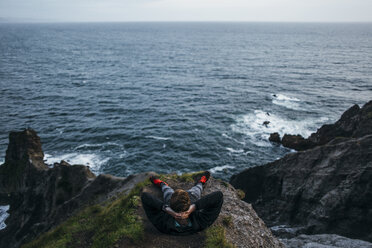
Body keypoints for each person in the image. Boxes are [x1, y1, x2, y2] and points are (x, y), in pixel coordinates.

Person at [141, 171, 223, 235]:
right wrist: (193, 207)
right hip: (192, 198)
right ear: (189, 204)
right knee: (196, 190)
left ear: (171, 207)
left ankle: (162, 184)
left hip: (172, 203)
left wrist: (167, 209)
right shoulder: (201, 222)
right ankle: (201, 182)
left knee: (167, 191)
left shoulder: (163, 225)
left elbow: (145, 196)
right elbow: (218, 196)